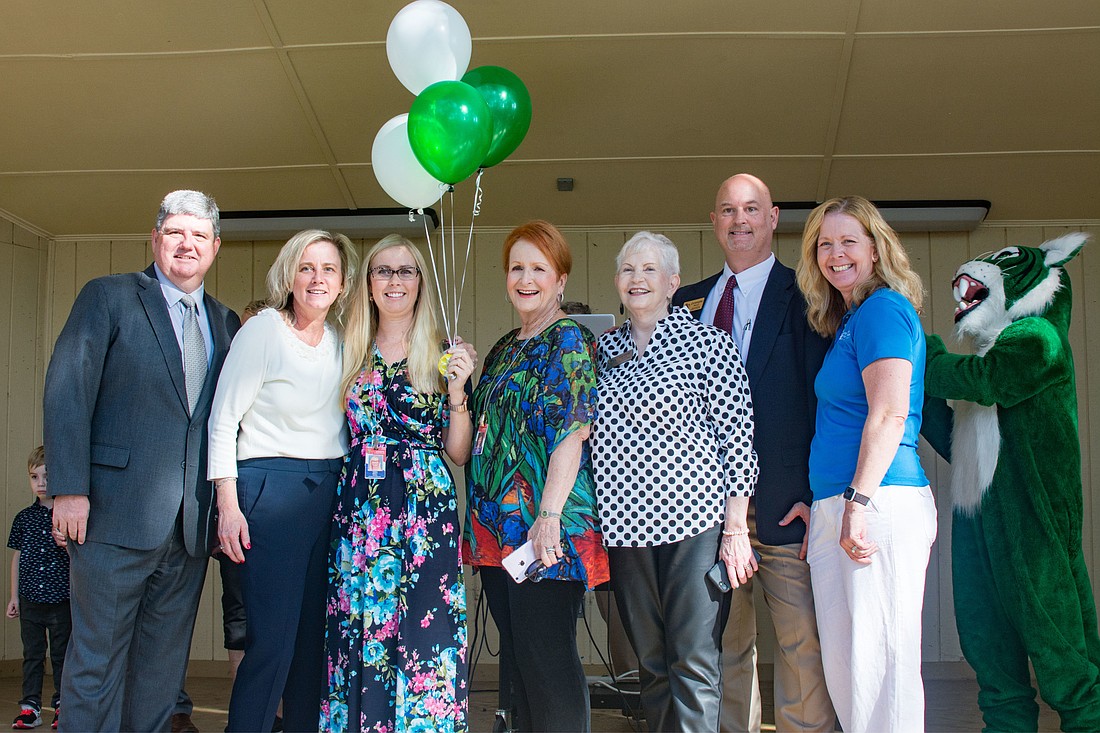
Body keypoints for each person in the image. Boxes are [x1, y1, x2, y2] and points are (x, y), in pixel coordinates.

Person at [44, 190, 239, 732]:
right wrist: (69, 489)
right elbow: (67, 390)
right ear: (155, 239)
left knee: (159, 676)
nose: (186, 244)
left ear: (215, 247)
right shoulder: (108, 297)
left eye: (199, 235)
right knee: (96, 666)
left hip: (188, 531)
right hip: (110, 519)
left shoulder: (225, 324)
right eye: (175, 232)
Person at [673, 174, 834, 733]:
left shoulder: (809, 296)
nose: (739, 220)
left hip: (787, 507)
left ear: (773, 217)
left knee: (801, 643)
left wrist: (820, 496)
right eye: (727, 210)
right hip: (704, 513)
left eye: (750, 209)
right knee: (725, 646)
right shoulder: (685, 303)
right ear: (713, 222)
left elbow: (826, 403)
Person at [590, 231, 759, 731]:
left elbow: (737, 439)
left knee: (693, 661)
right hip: (624, 530)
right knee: (651, 665)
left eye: (649, 269)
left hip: (693, 526)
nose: (637, 279)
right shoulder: (603, 351)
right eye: (627, 269)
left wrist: (735, 529)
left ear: (672, 282)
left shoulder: (708, 344)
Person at [321, 234, 475, 732]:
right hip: (360, 510)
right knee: (358, 618)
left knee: (423, 623)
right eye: (383, 270)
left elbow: (458, 452)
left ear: (420, 282)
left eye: (405, 270)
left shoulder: (444, 352)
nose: (394, 281)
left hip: (424, 511)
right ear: (368, 283)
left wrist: (457, 392)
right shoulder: (346, 349)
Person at [795, 195, 935, 733]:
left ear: (876, 249)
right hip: (843, 503)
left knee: (881, 672)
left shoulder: (883, 309)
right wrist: (825, 504)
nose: (836, 254)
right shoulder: (850, 320)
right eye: (825, 244)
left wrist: (855, 502)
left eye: (849, 241)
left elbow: (890, 412)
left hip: (878, 502)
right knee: (850, 673)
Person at [209, 229, 358, 732]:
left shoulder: (341, 342)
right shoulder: (263, 331)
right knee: (272, 643)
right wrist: (228, 505)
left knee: (314, 645)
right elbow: (223, 420)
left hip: (329, 492)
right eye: (306, 267)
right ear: (289, 275)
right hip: (270, 491)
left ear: (343, 283)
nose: (317, 278)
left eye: (329, 269)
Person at [464, 220, 609, 732]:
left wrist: (547, 518)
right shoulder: (505, 347)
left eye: (539, 269)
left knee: (548, 663)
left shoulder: (568, 339)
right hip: (497, 530)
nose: (526, 279)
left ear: (560, 279)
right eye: (517, 268)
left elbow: (573, 432)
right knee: (520, 664)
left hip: (543, 529)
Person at [7, 446, 69, 731]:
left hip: (61, 600)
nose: (41, 483)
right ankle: (30, 707)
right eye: (35, 477)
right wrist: (14, 597)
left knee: (61, 655)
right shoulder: (23, 518)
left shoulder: (68, 516)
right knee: (32, 654)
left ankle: (63, 705)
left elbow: (81, 560)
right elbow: (18, 558)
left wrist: (65, 545)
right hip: (30, 600)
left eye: (47, 476)